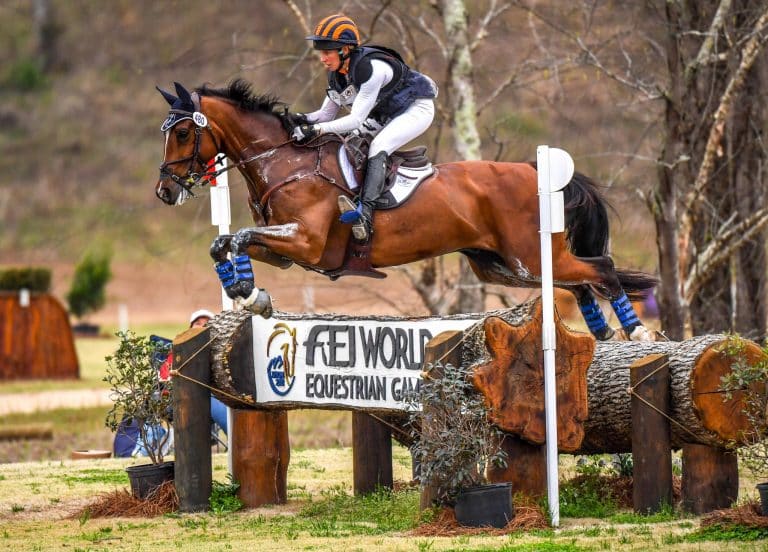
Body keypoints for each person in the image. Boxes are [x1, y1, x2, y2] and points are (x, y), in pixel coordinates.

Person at [290, 13, 438, 242]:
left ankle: (366, 215)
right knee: (348, 144)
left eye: (327, 52)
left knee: (379, 146)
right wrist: (296, 119)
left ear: (345, 50)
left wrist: (316, 130)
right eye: (321, 52)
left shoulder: (371, 69)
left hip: (416, 109)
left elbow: (355, 120)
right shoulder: (337, 75)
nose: (322, 58)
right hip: (384, 115)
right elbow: (324, 115)